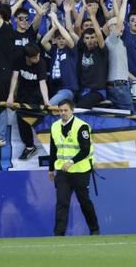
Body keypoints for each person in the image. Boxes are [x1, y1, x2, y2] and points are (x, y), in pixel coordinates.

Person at [48, 99, 100, 236]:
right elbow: (53, 149)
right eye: (60, 110)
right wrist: (51, 168)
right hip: (62, 171)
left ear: (72, 110)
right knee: (62, 202)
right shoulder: (54, 126)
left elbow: (85, 149)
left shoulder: (81, 126)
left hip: (81, 171)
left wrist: (71, 161)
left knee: (84, 201)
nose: (63, 113)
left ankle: (94, 229)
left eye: (65, 110)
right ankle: (59, 234)